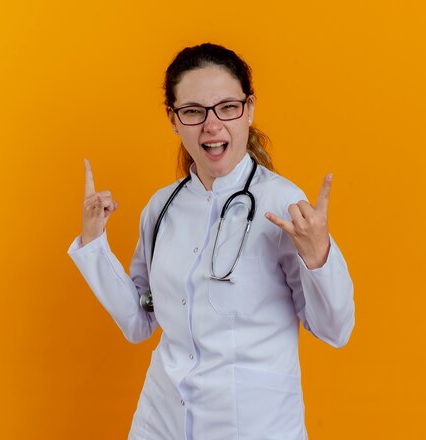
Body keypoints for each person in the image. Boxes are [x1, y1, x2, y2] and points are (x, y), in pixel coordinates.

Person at [68, 43, 354, 440]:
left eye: (227, 107)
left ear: (249, 109)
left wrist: (319, 256)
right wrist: (93, 244)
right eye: (193, 111)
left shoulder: (283, 205)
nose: (212, 125)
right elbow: (138, 321)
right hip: (161, 421)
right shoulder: (161, 208)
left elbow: (335, 330)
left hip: (254, 426)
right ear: (173, 118)